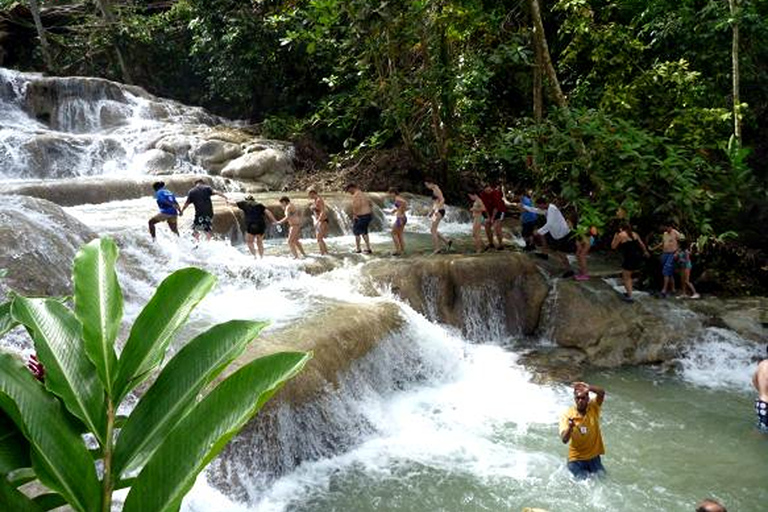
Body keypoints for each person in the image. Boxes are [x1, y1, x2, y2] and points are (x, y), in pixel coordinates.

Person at [559, 381, 607, 479]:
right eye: (578, 398)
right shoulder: (567, 415)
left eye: (583, 398)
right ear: (574, 399)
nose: (580, 401)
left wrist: (589, 387)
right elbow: (564, 440)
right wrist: (570, 428)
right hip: (576, 460)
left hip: (594, 458)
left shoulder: (593, 407)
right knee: (584, 484)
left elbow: (601, 393)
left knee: (604, 479)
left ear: (588, 399)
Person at [522, 198, 574, 277]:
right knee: (559, 252)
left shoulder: (552, 209)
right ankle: (567, 268)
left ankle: (569, 270)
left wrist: (538, 232)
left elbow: (549, 224)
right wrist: (525, 207)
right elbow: (536, 210)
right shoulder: (547, 209)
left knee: (561, 253)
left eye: (539, 206)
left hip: (563, 234)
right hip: (558, 234)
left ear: (543, 204)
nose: (539, 208)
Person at [611, 223, 650, 302]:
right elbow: (641, 244)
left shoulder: (621, 235)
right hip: (637, 256)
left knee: (626, 277)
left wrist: (615, 237)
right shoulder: (634, 234)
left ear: (621, 228)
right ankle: (630, 291)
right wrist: (645, 252)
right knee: (629, 275)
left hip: (629, 257)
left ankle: (630, 295)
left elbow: (613, 246)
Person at [345, 183, 373, 254]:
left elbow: (357, 205)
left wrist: (355, 214)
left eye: (348, 191)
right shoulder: (363, 194)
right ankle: (368, 248)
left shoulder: (356, 195)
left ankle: (358, 249)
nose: (349, 192)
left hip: (361, 216)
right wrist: (369, 210)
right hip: (368, 215)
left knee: (356, 232)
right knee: (364, 232)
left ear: (351, 188)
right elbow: (370, 203)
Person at [656, 223, 682, 298]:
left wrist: (677, 252)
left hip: (672, 253)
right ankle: (673, 288)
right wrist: (655, 248)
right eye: (665, 228)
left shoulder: (676, 233)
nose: (667, 229)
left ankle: (664, 290)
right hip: (665, 253)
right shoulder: (665, 234)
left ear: (671, 227)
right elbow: (663, 243)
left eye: (668, 227)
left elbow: (682, 243)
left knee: (666, 270)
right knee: (669, 272)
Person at [425, 180, 452, 254]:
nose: (427, 187)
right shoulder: (434, 189)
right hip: (436, 211)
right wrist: (432, 212)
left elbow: (443, 200)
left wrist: (436, 210)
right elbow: (435, 202)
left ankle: (437, 249)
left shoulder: (437, 189)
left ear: (431, 183)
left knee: (433, 230)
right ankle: (447, 241)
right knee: (432, 229)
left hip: (439, 211)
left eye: (427, 185)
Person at [479, 183, 507, 250]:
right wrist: (488, 218)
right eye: (486, 190)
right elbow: (484, 208)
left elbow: (496, 208)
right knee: (487, 225)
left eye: (489, 189)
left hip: (499, 210)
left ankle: (501, 244)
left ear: (491, 189)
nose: (488, 191)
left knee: (497, 227)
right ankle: (491, 243)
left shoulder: (495, 193)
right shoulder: (483, 195)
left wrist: (492, 218)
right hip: (489, 211)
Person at [308, 188, 329, 255]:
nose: (309, 196)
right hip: (320, 220)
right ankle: (325, 252)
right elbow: (317, 209)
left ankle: (322, 253)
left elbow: (323, 211)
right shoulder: (316, 200)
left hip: (322, 221)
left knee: (319, 238)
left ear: (312, 193)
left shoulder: (319, 200)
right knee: (320, 238)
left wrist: (318, 221)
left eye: (309, 195)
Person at [752, 344, 768, 434]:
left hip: (761, 403)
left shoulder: (761, 364)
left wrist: (762, 392)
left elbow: (754, 380)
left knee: (761, 427)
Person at [388, 188, 407, 256]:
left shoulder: (397, 199)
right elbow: (403, 204)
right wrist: (397, 210)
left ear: (393, 193)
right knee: (400, 234)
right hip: (403, 217)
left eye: (390, 193)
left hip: (400, 218)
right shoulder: (399, 198)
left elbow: (404, 203)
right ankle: (402, 249)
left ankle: (398, 250)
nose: (390, 195)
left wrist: (400, 212)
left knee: (393, 233)